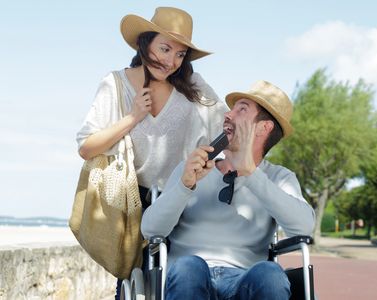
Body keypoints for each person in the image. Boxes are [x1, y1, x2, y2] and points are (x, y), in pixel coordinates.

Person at [75, 7, 227, 299]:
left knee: (178, 285)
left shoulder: (193, 86)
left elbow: (227, 128)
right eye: (165, 48)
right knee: (134, 289)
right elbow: (86, 146)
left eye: (180, 54)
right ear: (145, 43)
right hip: (129, 208)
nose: (171, 61)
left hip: (180, 204)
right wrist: (133, 117)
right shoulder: (115, 83)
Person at [141, 80, 316, 299]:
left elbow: (304, 228)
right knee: (189, 267)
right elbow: (150, 230)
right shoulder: (192, 168)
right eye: (231, 109)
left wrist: (251, 174)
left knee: (270, 273)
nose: (228, 115)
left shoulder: (279, 178)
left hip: (245, 281)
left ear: (264, 127)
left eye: (241, 109)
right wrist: (185, 186)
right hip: (189, 277)